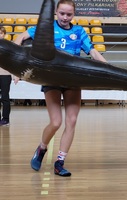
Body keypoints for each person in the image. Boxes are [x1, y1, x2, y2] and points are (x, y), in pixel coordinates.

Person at [14, 0, 107, 177]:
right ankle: (42, 148)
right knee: (56, 122)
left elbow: (93, 52)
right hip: (51, 79)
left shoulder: (79, 31)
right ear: (56, 12)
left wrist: (110, 69)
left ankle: (60, 162)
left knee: (71, 121)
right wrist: (17, 69)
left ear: (74, 14)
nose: (65, 17)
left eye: (69, 14)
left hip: (72, 80)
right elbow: (20, 38)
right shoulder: (46, 28)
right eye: (62, 13)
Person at [0, 26, 19, 126]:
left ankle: (6, 119)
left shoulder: (8, 46)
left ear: (4, 34)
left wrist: (16, 75)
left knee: (5, 97)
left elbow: (13, 61)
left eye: (1, 33)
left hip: (5, 74)